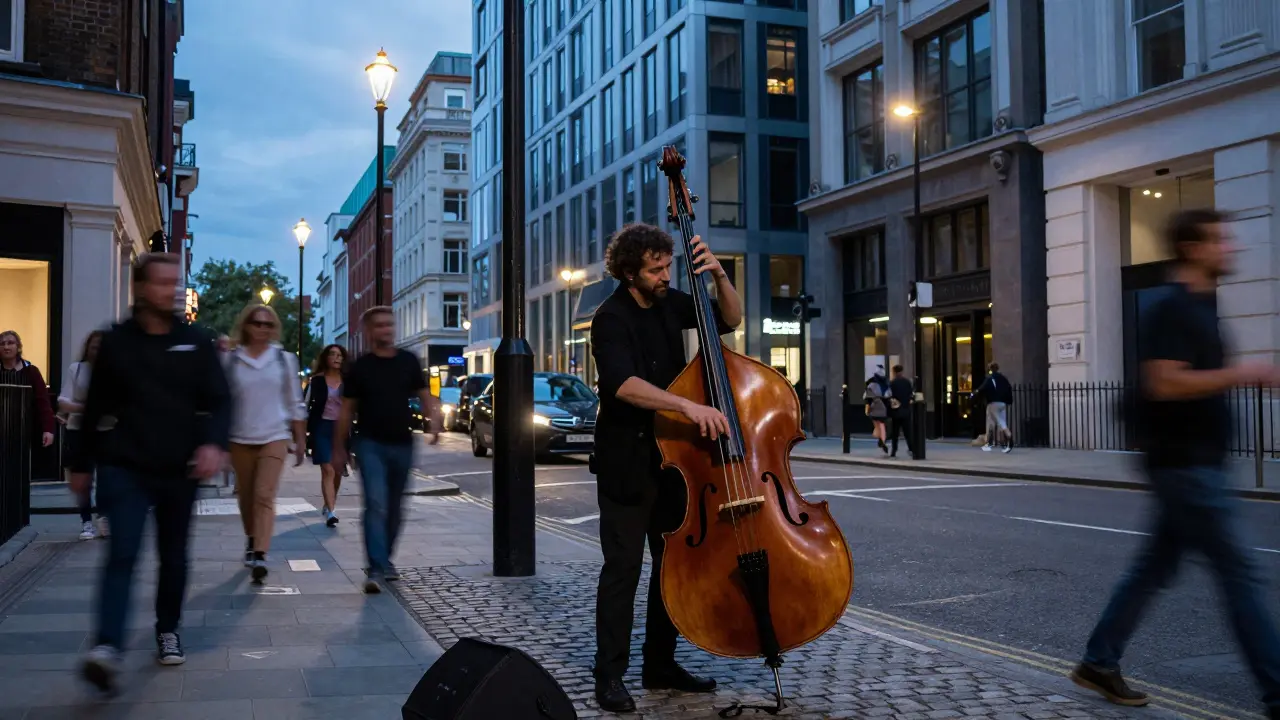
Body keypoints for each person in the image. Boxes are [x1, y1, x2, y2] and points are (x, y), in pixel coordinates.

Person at [1069, 209, 1280, 720]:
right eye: (1218, 240)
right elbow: (1163, 382)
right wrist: (1242, 373)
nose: (1229, 248)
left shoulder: (1203, 306)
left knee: (1153, 569)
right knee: (1240, 572)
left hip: (1194, 462)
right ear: (1192, 248)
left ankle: (1099, 661)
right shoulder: (1171, 306)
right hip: (1185, 465)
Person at [589, 224, 742, 713]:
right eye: (655, 269)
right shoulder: (609, 317)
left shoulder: (674, 301)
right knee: (623, 571)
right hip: (627, 464)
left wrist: (719, 275)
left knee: (672, 568)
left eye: (668, 265)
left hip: (673, 463)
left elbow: (730, 321)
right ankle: (608, 675)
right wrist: (686, 406)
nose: (665, 275)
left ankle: (660, 665)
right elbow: (623, 384)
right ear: (629, 272)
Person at [71, 252, 230, 694]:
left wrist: (213, 443)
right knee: (121, 554)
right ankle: (107, 648)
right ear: (141, 288)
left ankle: (167, 628)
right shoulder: (117, 342)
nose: (172, 291)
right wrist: (81, 465)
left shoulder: (196, 341)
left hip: (179, 468)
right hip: (125, 464)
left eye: (175, 283)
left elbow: (220, 399)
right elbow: (95, 407)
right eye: (162, 283)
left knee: (173, 556)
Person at [333, 307, 442, 594]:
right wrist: (339, 448)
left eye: (390, 325)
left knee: (395, 508)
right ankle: (376, 567)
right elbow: (346, 411)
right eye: (380, 326)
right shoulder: (359, 367)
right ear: (369, 332)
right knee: (376, 503)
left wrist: (435, 421)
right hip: (369, 444)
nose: (386, 330)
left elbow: (423, 394)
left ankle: (385, 559)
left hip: (402, 444)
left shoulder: (408, 361)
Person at [224, 304, 306, 582]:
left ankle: (260, 553)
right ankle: (252, 537)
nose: (262, 329)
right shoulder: (232, 360)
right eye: (257, 323)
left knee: (264, 495)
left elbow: (295, 402)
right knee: (246, 497)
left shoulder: (284, 360)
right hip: (239, 437)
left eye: (268, 325)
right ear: (246, 325)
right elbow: (221, 401)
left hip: (275, 435)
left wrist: (300, 438)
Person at [58, 330, 110, 540]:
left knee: (107, 478)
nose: (97, 350)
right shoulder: (77, 369)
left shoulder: (114, 371)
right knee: (83, 478)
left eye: (101, 346)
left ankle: (104, 517)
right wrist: (88, 409)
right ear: (87, 347)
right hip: (79, 430)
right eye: (94, 346)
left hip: (106, 430)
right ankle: (86, 522)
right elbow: (63, 400)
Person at [307, 343, 348, 527]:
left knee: (338, 470)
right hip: (322, 428)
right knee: (327, 469)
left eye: (339, 355)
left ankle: (329, 503)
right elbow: (305, 404)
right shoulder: (316, 381)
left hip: (341, 429)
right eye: (332, 354)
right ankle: (331, 512)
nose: (336, 358)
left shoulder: (349, 381)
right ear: (326, 358)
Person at [0, 329, 55, 451]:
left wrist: (48, 429)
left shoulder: (32, 372)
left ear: (18, 347)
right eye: (2, 344)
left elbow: (43, 402)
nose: (6, 347)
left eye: (10, 343)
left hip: (26, 429)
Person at [972, 361, 1012, 453]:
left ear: (990, 369)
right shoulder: (1003, 378)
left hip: (993, 403)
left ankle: (992, 443)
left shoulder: (990, 378)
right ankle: (1003, 444)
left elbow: (982, 388)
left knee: (994, 423)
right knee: (1000, 421)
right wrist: (1008, 401)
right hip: (1003, 403)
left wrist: (974, 394)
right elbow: (1009, 388)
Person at [886, 365, 915, 458]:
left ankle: (894, 450)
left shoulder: (892, 383)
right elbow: (911, 394)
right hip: (906, 409)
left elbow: (889, 396)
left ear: (894, 372)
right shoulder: (907, 382)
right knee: (908, 432)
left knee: (895, 432)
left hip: (896, 410)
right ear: (902, 371)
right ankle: (911, 449)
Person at [864, 366, 890, 454]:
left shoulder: (871, 385)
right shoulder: (886, 384)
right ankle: (882, 439)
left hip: (875, 406)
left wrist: (868, 407)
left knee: (876, 424)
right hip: (883, 407)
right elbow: (888, 396)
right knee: (882, 424)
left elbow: (868, 398)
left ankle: (879, 438)